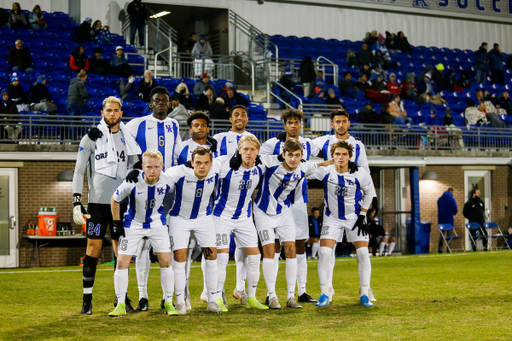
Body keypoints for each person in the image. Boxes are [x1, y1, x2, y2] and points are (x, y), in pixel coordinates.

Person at [73, 96, 141, 315]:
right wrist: (76, 201)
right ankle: (86, 300)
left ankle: (121, 299)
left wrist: (136, 170)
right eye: (108, 110)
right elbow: (79, 170)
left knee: (120, 253)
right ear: (102, 113)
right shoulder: (91, 138)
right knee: (92, 249)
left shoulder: (128, 138)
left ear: (121, 113)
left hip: (121, 204)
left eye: (116, 110)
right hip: (97, 205)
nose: (112, 114)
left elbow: (138, 164)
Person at [255, 139, 331, 309]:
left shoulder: (304, 167)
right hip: (263, 212)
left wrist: (341, 162)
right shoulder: (270, 161)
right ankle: (272, 296)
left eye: (297, 156)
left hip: (284, 212)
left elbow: (321, 164)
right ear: (283, 154)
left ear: (302, 156)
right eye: (290, 155)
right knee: (269, 250)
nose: (293, 159)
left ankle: (290, 297)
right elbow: (251, 155)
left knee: (290, 250)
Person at [260, 109, 321, 304]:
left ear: (301, 125)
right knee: (276, 245)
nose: (293, 125)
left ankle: (301, 291)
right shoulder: (272, 143)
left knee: (300, 243)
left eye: (297, 122)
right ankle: (273, 293)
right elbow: (259, 161)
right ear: (284, 125)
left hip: (299, 200)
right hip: (276, 202)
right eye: (290, 122)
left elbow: (327, 152)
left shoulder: (309, 144)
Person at [108, 149, 177, 317]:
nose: (152, 171)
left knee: (166, 262)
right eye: (148, 167)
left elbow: (173, 197)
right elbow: (115, 199)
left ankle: (168, 302)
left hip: (157, 224)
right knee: (121, 263)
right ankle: (121, 304)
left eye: (156, 167)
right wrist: (117, 223)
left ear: (162, 166)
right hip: (133, 225)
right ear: (142, 167)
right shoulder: (131, 181)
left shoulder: (168, 182)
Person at [308, 141, 376, 307]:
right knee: (324, 253)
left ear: (350, 157)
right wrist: (320, 163)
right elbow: (302, 169)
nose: (341, 157)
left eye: (344, 154)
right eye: (337, 154)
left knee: (362, 253)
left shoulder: (359, 173)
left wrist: (363, 214)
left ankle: (364, 291)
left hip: (355, 217)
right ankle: (325, 292)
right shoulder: (325, 171)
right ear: (332, 156)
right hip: (332, 217)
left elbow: (370, 193)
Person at [212, 135, 272, 311]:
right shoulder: (224, 162)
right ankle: (217, 298)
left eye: (252, 149)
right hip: (221, 217)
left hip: (244, 218)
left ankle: (251, 297)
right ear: (239, 150)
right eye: (245, 149)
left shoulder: (261, 164)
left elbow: (286, 158)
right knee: (222, 258)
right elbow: (208, 168)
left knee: (254, 256)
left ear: (258, 152)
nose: (248, 153)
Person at [165, 147, 225, 314]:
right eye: (198, 163)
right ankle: (180, 302)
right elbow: (155, 178)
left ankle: (212, 301)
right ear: (192, 163)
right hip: (179, 220)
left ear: (211, 163)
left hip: (204, 219)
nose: (202, 166)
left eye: (206, 163)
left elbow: (235, 157)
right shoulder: (177, 172)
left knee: (212, 257)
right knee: (180, 260)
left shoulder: (216, 168)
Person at [437, 187, 458, 253]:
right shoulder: (452, 200)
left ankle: (440, 248)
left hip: (441, 220)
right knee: (449, 235)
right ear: (451, 192)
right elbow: (455, 210)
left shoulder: (439, 199)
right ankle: (448, 249)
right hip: (449, 220)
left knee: (441, 235)